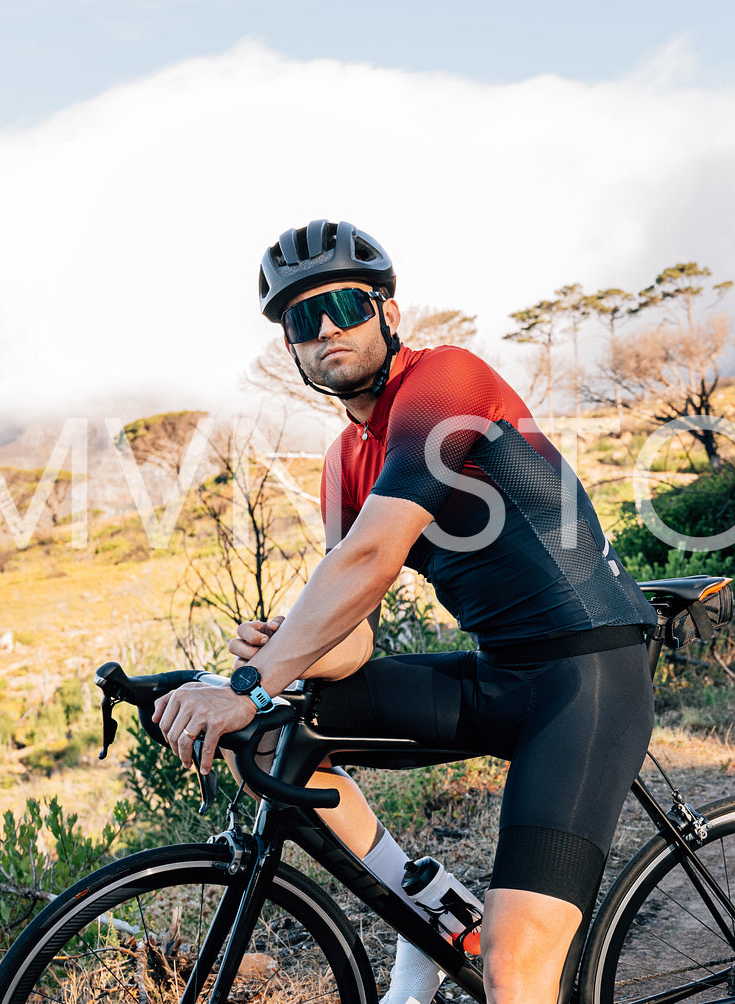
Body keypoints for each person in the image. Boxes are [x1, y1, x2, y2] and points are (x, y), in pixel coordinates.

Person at [154, 220, 657, 1004]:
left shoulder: (445, 381)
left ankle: (487, 945)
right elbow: (353, 635)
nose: (327, 329)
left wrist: (250, 679)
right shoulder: (343, 462)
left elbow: (370, 558)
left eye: (346, 304)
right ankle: (437, 911)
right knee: (274, 735)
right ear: (289, 347)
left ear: (387, 311)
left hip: (586, 674)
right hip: (500, 673)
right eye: (300, 319)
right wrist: (284, 649)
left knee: (517, 973)